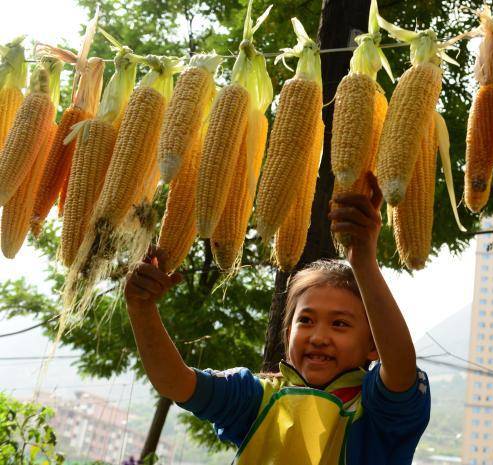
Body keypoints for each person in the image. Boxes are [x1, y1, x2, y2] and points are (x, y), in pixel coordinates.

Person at [124, 173, 430, 464]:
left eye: (339, 324)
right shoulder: (256, 397)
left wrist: (364, 262)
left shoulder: (377, 409)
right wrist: (141, 309)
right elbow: (176, 383)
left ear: (373, 346)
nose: (318, 336)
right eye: (306, 321)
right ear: (287, 336)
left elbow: (401, 367)